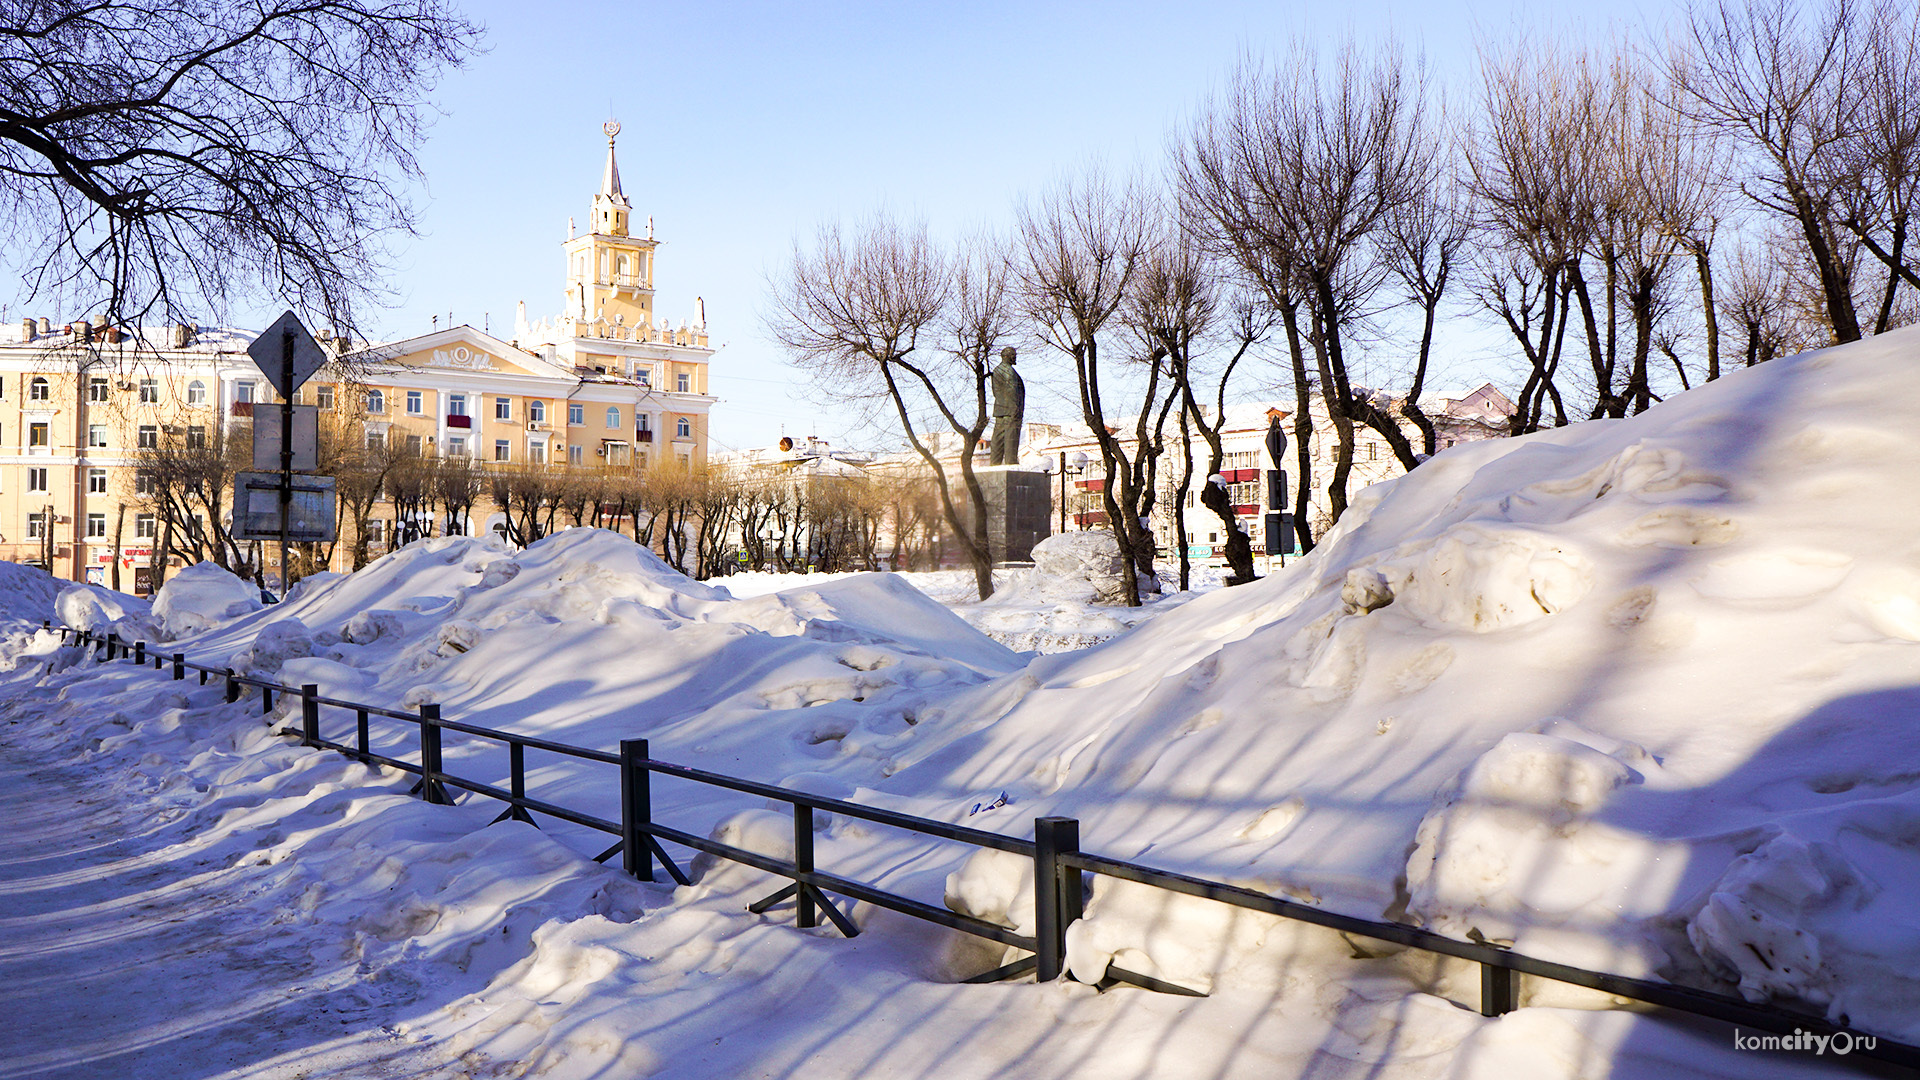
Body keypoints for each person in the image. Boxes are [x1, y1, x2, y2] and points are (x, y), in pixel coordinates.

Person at [989, 346, 1024, 466]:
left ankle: (995, 463)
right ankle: (1011, 462)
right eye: (1013, 355)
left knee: (998, 438)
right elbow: (1012, 390)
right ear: (1006, 356)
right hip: (1011, 411)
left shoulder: (998, 370)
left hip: (1001, 409)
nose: (1015, 357)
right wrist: (1015, 409)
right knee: (1011, 438)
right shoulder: (1007, 371)